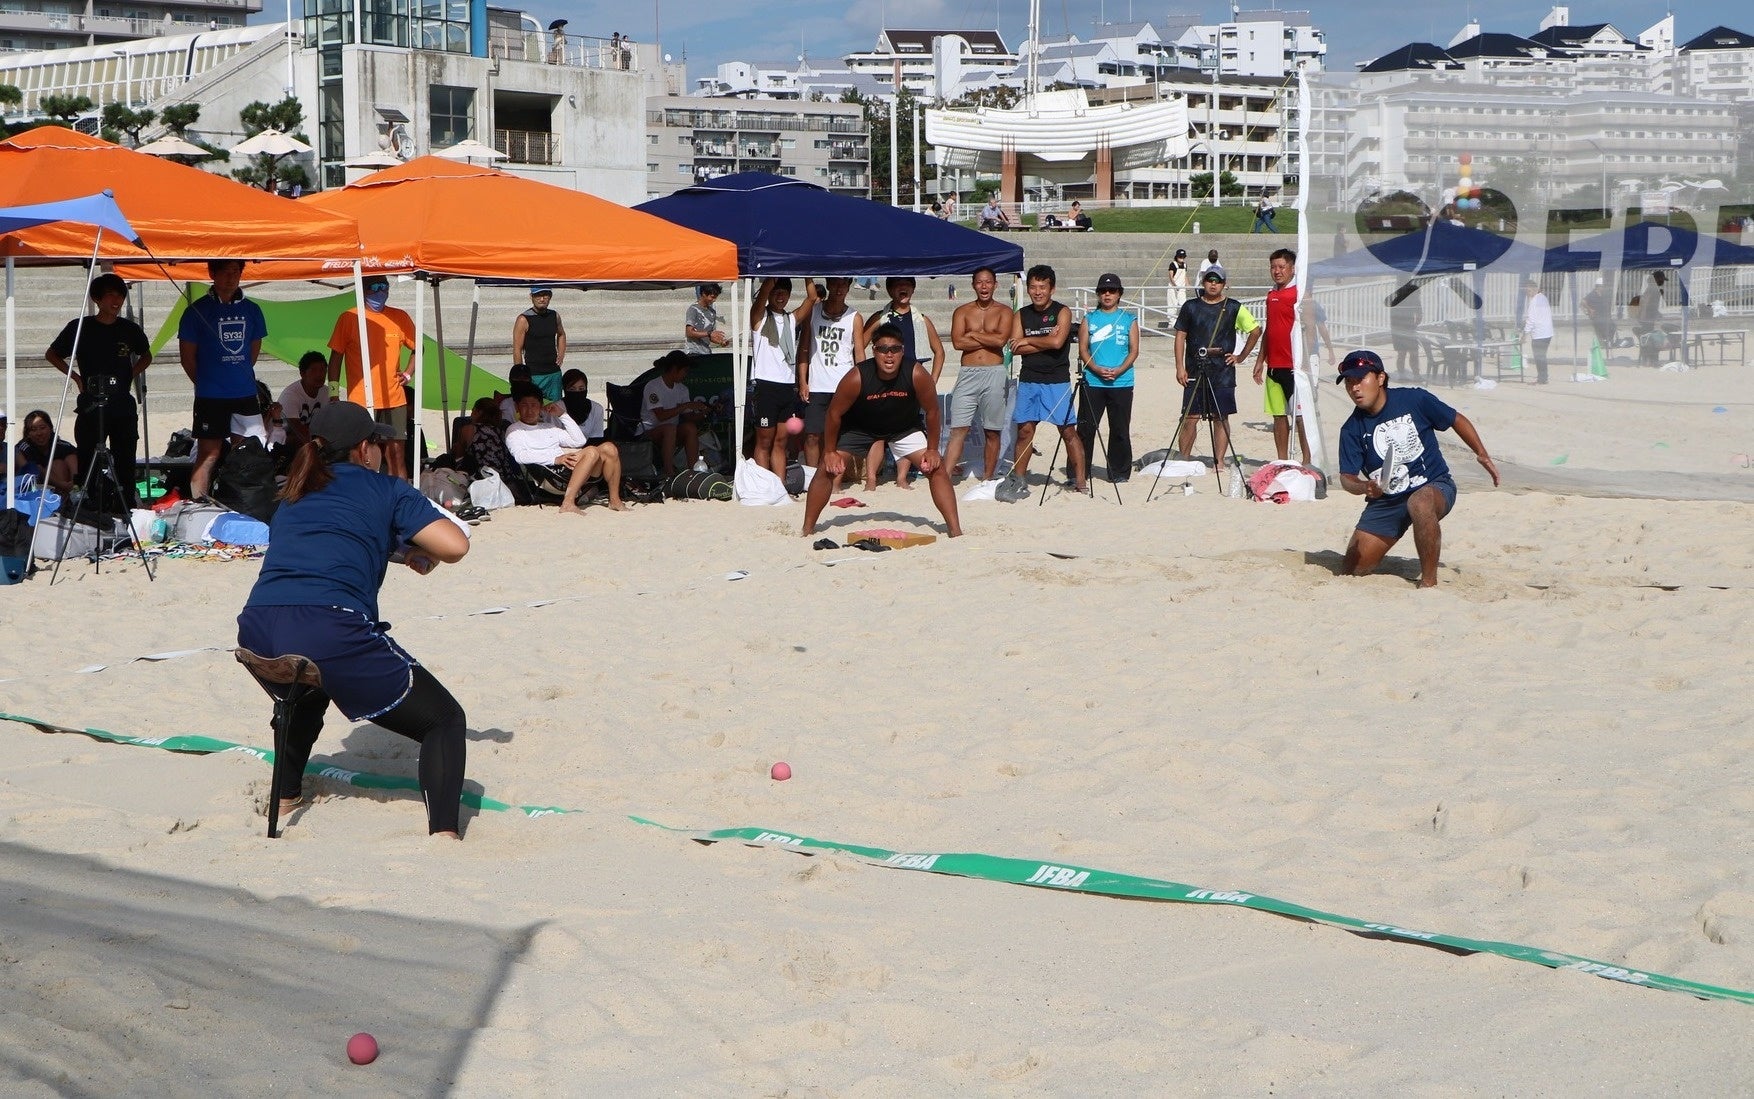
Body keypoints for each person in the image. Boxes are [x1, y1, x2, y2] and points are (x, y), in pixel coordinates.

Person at [236, 401, 471, 837]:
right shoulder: (385, 488)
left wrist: (397, 551)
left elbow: (331, 541)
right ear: (365, 449)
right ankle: (444, 835)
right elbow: (455, 546)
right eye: (377, 442)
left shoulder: (294, 493)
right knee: (444, 720)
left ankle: (284, 797)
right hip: (330, 625)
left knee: (305, 688)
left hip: (257, 626)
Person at [1334, 349, 1499, 588]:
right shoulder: (1351, 429)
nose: (1354, 388)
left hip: (1433, 486)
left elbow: (1456, 419)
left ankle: (1429, 582)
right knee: (1352, 571)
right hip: (1387, 501)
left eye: (1360, 379)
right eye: (1349, 382)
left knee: (1419, 502)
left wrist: (1481, 454)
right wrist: (1364, 487)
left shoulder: (1414, 400)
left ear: (1380, 378)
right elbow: (1346, 477)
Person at [800, 323, 961, 539]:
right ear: (873, 351)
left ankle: (955, 530)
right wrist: (829, 451)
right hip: (860, 428)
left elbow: (932, 412)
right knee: (827, 469)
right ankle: (807, 529)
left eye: (895, 349)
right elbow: (833, 414)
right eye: (883, 349)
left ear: (902, 351)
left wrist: (932, 449)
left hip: (903, 428)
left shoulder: (916, 373)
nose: (889, 355)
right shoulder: (857, 376)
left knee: (936, 468)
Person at [45, 272, 151, 509]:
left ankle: (125, 501)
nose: (116, 301)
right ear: (97, 299)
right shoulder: (79, 327)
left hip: (122, 401)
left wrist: (130, 374)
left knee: (125, 454)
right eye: (110, 296)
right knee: (88, 453)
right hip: (91, 401)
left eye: (120, 296)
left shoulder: (129, 329)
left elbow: (146, 355)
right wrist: (75, 377)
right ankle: (91, 500)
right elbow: (52, 354)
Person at [178, 259, 268, 499]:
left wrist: (236, 377)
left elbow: (253, 352)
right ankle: (199, 505)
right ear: (212, 273)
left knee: (247, 452)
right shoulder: (195, 311)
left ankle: (244, 504)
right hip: (211, 396)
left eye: (236, 272)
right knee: (209, 454)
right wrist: (208, 384)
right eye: (225, 272)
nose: (231, 277)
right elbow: (187, 358)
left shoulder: (252, 310)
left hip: (245, 393)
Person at [327, 274, 415, 481]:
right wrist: (333, 394)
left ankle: (400, 501)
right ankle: (364, 499)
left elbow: (418, 348)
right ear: (363, 289)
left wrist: (409, 373)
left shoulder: (400, 316)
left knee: (395, 455)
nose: (381, 291)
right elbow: (335, 358)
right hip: (360, 399)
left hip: (393, 397)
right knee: (361, 456)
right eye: (375, 286)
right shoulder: (348, 317)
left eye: (384, 286)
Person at [1006, 264, 1084, 494]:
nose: (1037, 291)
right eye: (1033, 287)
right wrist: (1045, 339)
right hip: (1029, 380)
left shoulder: (1063, 311)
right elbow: (1014, 348)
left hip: (1057, 381)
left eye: (1042, 287)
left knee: (1068, 432)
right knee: (1025, 431)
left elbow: (1058, 343)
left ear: (1052, 289)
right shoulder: (1021, 314)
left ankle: (1080, 481)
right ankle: (1019, 478)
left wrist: (1030, 341)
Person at [1173, 266, 1259, 468]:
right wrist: (1179, 367)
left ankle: (1219, 461)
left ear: (1224, 284)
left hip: (1222, 370)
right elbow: (1180, 336)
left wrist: (1241, 356)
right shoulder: (1190, 307)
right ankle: (1184, 459)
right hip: (1194, 367)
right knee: (1189, 417)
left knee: (1220, 417)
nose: (1213, 284)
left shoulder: (1233, 307)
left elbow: (1255, 331)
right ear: (1203, 282)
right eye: (1210, 280)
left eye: (1218, 280)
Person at [866, 276, 946, 488]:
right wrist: (866, 374)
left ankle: (901, 478)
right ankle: (872, 479)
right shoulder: (879, 317)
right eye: (898, 285)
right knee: (877, 431)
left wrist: (932, 380)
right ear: (890, 290)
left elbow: (939, 351)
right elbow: (860, 344)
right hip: (883, 380)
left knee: (907, 429)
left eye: (907, 285)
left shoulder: (922, 319)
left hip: (912, 382)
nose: (903, 288)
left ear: (913, 288)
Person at [945, 267, 1014, 483]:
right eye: (979, 283)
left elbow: (1000, 341)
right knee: (959, 428)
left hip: (994, 372)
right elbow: (957, 342)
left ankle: (988, 476)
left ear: (995, 284)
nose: (984, 287)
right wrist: (988, 336)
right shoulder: (962, 311)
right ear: (973, 284)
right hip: (968, 373)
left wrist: (973, 333)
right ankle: (944, 476)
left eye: (988, 282)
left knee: (992, 430)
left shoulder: (1004, 311)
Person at [505, 390, 624, 513]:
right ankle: (568, 502)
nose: (529, 410)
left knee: (609, 448)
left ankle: (615, 500)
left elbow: (579, 441)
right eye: (524, 405)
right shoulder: (514, 430)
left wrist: (562, 414)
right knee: (591, 451)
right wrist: (555, 459)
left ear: (540, 407)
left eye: (534, 405)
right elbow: (520, 456)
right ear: (517, 407)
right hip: (550, 474)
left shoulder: (548, 427)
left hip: (567, 468)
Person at [1251, 248, 1316, 466]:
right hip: (1274, 366)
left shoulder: (1299, 294)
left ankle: (1307, 460)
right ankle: (1282, 460)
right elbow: (1269, 330)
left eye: (1281, 267)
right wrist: (1260, 360)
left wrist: (1306, 363)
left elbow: (1311, 328)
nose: (1277, 271)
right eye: (1273, 267)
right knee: (1278, 416)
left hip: (1294, 366)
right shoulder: (1271, 295)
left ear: (1291, 268)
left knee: (1300, 418)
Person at [796, 277, 865, 480]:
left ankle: (833, 479)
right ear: (828, 284)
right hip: (817, 384)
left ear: (849, 287)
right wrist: (803, 380)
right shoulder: (814, 311)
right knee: (811, 435)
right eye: (835, 283)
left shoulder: (855, 317)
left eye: (843, 284)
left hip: (844, 384)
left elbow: (859, 353)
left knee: (837, 436)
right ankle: (812, 478)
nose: (839, 288)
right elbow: (804, 348)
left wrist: (863, 383)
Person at [748, 276, 816, 481]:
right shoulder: (759, 316)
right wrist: (772, 275)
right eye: (776, 292)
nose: (780, 297)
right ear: (769, 294)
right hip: (766, 385)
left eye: (784, 293)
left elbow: (812, 298)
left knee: (781, 442)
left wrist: (807, 274)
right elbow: (760, 301)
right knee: (764, 442)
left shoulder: (791, 319)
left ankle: (779, 485)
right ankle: (763, 485)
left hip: (786, 387)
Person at [1077, 273, 1139, 483]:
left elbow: (1134, 351)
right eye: (1103, 290)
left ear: (1119, 294)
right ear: (1098, 294)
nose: (1107, 294)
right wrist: (1095, 368)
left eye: (1112, 290)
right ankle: (1079, 472)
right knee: (1086, 428)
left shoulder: (1129, 319)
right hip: (1093, 381)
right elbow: (1083, 349)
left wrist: (1119, 370)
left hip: (1121, 382)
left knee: (1119, 429)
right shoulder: (1089, 319)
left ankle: (1119, 472)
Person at [643, 349, 709, 477]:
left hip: (672, 430)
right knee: (670, 429)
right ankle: (669, 474)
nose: (686, 375)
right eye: (684, 371)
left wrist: (704, 412)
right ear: (674, 369)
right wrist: (686, 405)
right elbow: (660, 416)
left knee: (690, 428)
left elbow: (688, 417)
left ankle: (693, 472)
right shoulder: (653, 386)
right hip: (650, 431)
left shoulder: (683, 389)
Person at [512, 287, 567, 402]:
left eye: (545, 295)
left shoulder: (554, 315)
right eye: (538, 295)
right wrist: (521, 376)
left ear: (550, 297)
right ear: (531, 297)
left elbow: (561, 334)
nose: (542, 299)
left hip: (553, 374)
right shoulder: (523, 319)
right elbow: (517, 349)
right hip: (533, 375)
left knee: (555, 411)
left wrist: (561, 354)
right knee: (532, 410)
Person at [14, 409, 77, 494]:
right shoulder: (24, 447)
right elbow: (38, 468)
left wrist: (74, 484)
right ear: (27, 434)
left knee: (58, 465)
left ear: (50, 428)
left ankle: (62, 502)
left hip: (56, 483)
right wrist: (63, 485)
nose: (39, 433)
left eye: (42, 428)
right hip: (30, 485)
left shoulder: (59, 444)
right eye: (33, 429)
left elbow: (72, 459)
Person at [278, 351, 331, 451]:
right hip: (286, 440)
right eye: (314, 370)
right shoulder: (290, 395)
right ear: (302, 373)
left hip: (313, 439)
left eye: (323, 370)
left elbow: (332, 421)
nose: (319, 374)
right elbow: (296, 430)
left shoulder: (326, 392)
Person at [1387, 280, 1424, 380]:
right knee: (1412, 353)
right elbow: (1419, 316)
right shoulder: (1414, 299)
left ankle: (1403, 375)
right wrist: (1414, 325)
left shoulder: (1397, 299)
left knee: (1402, 354)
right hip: (1407, 329)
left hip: (1398, 330)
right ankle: (1415, 375)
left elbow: (1419, 316)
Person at [1521, 277, 1554, 384]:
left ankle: (1542, 378)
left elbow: (1531, 320)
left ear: (1535, 289)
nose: (1527, 293)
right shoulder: (1543, 298)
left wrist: (1525, 334)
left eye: (1528, 291)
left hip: (1539, 333)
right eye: (1526, 291)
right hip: (1547, 332)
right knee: (1542, 355)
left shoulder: (1534, 301)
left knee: (1539, 356)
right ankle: (1543, 377)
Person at [560, 368, 606, 443]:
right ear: (565, 389)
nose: (577, 392)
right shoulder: (557, 408)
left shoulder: (597, 409)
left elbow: (596, 438)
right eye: (572, 389)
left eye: (581, 389)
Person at [1632, 271, 1667, 368]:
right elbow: (1646, 302)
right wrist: (1644, 315)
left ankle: (1647, 360)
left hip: (1647, 318)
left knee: (1647, 338)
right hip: (1648, 319)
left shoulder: (1650, 288)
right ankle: (1651, 361)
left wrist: (1657, 314)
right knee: (1652, 339)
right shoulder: (1654, 289)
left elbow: (1648, 303)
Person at [684, 283, 728, 355]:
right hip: (693, 352)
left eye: (715, 297)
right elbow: (689, 333)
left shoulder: (712, 312)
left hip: (706, 352)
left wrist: (720, 342)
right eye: (712, 297)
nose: (714, 300)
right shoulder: (693, 309)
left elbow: (709, 336)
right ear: (704, 294)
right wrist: (709, 333)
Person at [1582, 277, 1615, 356]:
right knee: (1600, 326)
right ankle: (1603, 340)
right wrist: (1590, 310)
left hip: (1605, 316)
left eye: (1603, 286)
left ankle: (1607, 340)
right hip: (1597, 317)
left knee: (1613, 326)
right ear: (1597, 286)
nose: (1603, 288)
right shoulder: (1592, 294)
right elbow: (1583, 302)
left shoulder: (1604, 294)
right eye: (1601, 286)